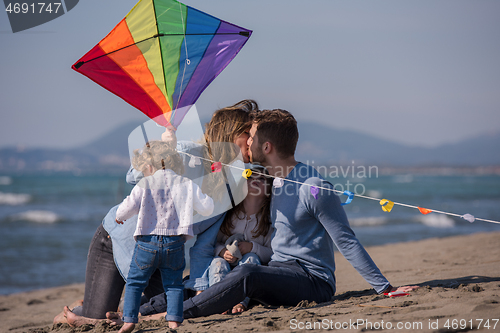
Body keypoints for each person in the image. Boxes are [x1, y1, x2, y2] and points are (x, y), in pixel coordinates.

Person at [179, 108, 418, 318]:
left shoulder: (313, 187)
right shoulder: (273, 181)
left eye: (250, 137)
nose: (246, 143)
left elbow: (346, 240)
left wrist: (385, 288)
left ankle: (182, 314)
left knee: (247, 274)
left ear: (266, 146)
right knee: (195, 282)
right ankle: (148, 309)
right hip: (278, 269)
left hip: (312, 280)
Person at [57, 99, 259, 327]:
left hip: (163, 257)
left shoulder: (230, 188)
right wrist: (165, 154)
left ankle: (103, 302)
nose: (253, 142)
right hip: (118, 241)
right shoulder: (188, 153)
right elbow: (132, 176)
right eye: (247, 134)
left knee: (169, 302)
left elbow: (203, 246)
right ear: (230, 133)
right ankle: (80, 308)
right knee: (93, 319)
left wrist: (201, 289)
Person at [115, 140, 214, 332]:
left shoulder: (145, 183)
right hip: (174, 244)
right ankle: (174, 321)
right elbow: (207, 206)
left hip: (147, 243)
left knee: (135, 282)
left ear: (150, 165)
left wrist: (119, 217)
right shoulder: (186, 183)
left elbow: (128, 206)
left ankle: (129, 320)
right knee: (174, 285)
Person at [208, 165, 273, 313]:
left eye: (262, 178)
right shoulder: (230, 215)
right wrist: (222, 251)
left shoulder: (267, 222)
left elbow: (272, 253)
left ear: (269, 191)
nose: (255, 179)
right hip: (226, 265)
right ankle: (218, 300)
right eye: (250, 176)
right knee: (217, 263)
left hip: (250, 271)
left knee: (251, 258)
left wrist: (252, 248)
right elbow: (212, 243)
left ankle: (240, 300)